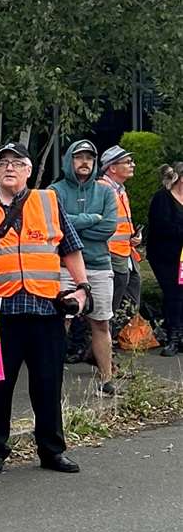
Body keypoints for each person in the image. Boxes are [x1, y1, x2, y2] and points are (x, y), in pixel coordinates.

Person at [0, 142, 89, 474]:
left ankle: (52, 449)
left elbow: (69, 247)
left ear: (29, 170)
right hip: (0, 308)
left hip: (45, 308)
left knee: (48, 383)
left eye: (17, 163)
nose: (10, 168)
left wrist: (82, 287)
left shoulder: (48, 200)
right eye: (3, 163)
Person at [50, 139, 118, 395]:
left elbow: (108, 228)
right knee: (61, 322)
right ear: (69, 160)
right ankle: (51, 379)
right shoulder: (54, 191)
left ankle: (106, 380)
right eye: (79, 157)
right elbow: (56, 227)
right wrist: (91, 219)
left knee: (101, 323)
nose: (85, 162)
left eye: (89, 158)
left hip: (99, 265)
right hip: (64, 266)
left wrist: (72, 225)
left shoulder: (105, 192)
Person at [98, 146, 141, 330]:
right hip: (111, 254)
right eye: (127, 162)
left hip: (126, 251)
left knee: (130, 300)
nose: (133, 165)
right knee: (112, 304)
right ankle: (98, 345)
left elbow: (122, 222)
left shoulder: (120, 190)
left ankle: (107, 340)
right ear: (112, 168)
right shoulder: (102, 189)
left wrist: (134, 236)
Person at [148, 163, 183, 357]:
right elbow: (161, 227)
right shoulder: (162, 198)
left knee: (181, 293)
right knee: (173, 293)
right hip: (165, 256)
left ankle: (180, 333)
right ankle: (173, 337)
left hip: (182, 256)